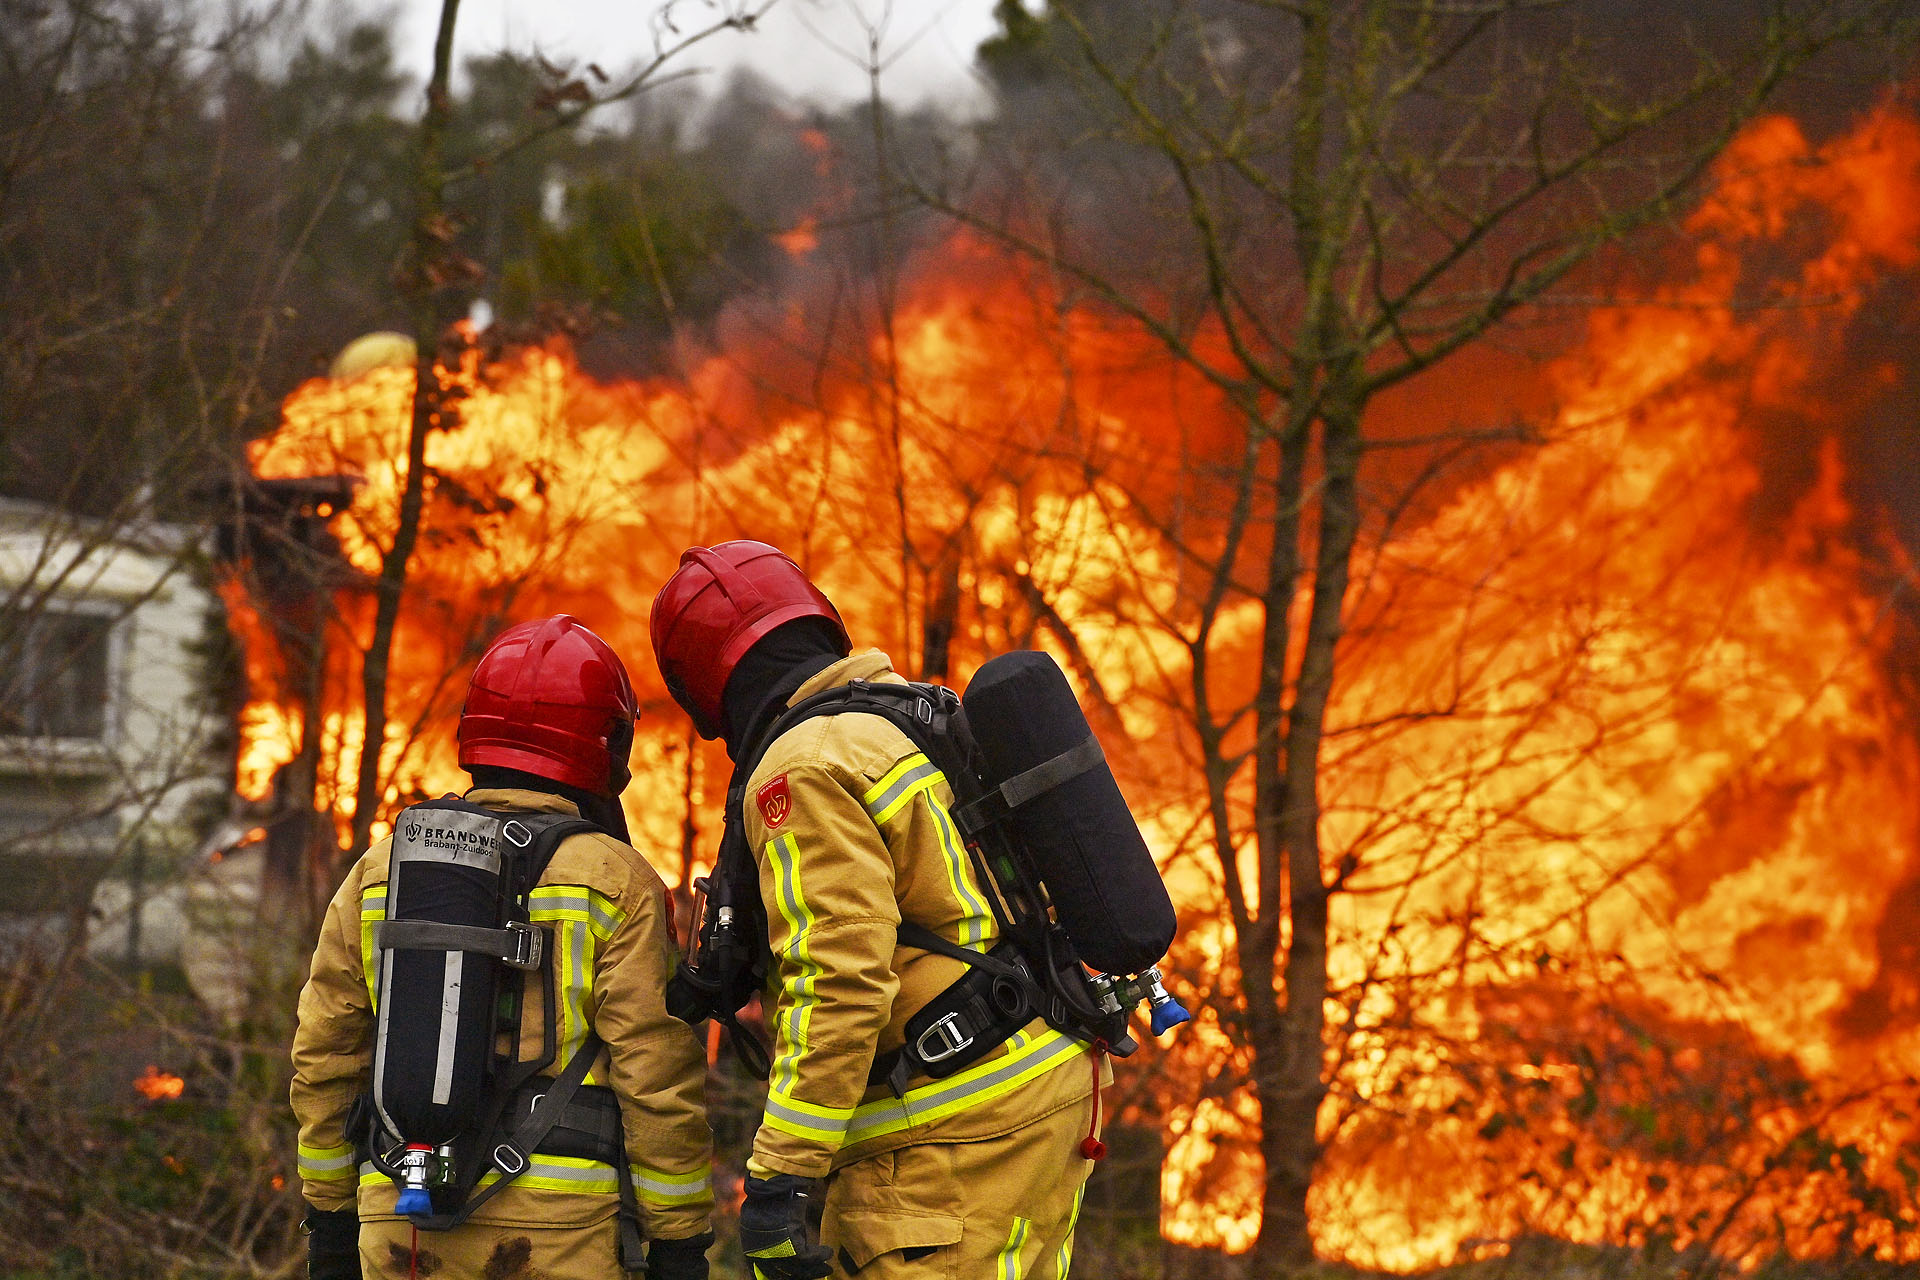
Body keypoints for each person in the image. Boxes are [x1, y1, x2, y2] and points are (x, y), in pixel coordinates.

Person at [650, 542, 1102, 1280]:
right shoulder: (905, 719)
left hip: (951, 1131)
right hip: (1036, 1091)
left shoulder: (802, 766)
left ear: (705, 690)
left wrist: (779, 1175)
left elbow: (839, 980)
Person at [291, 615, 716, 1280]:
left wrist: (331, 1220)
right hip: (557, 1236)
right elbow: (654, 1073)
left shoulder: (382, 869)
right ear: (605, 742)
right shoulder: (616, 880)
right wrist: (680, 1239)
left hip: (399, 1225)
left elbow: (323, 1053)